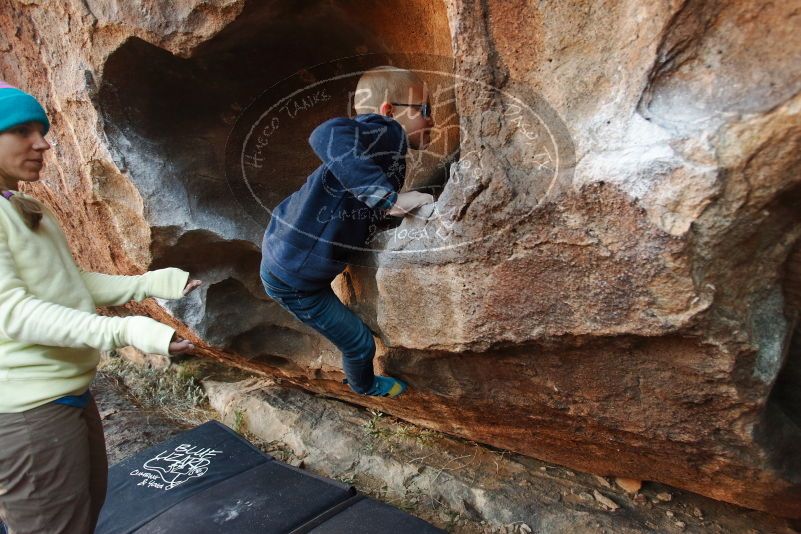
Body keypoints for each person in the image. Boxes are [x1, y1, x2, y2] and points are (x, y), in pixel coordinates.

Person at [0, 81, 201, 534]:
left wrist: (151, 284)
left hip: (62, 393)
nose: (43, 142)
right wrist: (128, 331)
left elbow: (70, 282)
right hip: (26, 411)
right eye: (21, 131)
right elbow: (13, 313)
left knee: (83, 515)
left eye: (41, 129)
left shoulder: (23, 205)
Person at [260, 66, 435, 398]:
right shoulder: (385, 131)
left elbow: (357, 202)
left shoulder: (381, 150)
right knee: (358, 342)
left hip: (288, 254)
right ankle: (364, 386)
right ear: (389, 111)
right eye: (424, 110)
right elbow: (325, 135)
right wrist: (388, 200)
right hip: (293, 280)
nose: (433, 121)